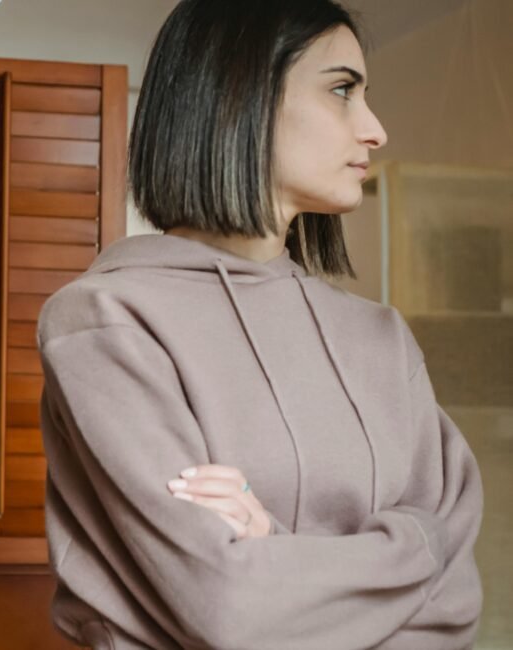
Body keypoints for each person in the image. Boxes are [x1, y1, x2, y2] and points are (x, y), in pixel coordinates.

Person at [38, 1, 483, 648]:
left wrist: (276, 549)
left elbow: (458, 607)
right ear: (238, 94)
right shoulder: (107, 322)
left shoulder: (382, 339)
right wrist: (419, 543)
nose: (376, 130)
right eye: (342, 91)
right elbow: (228, 608)